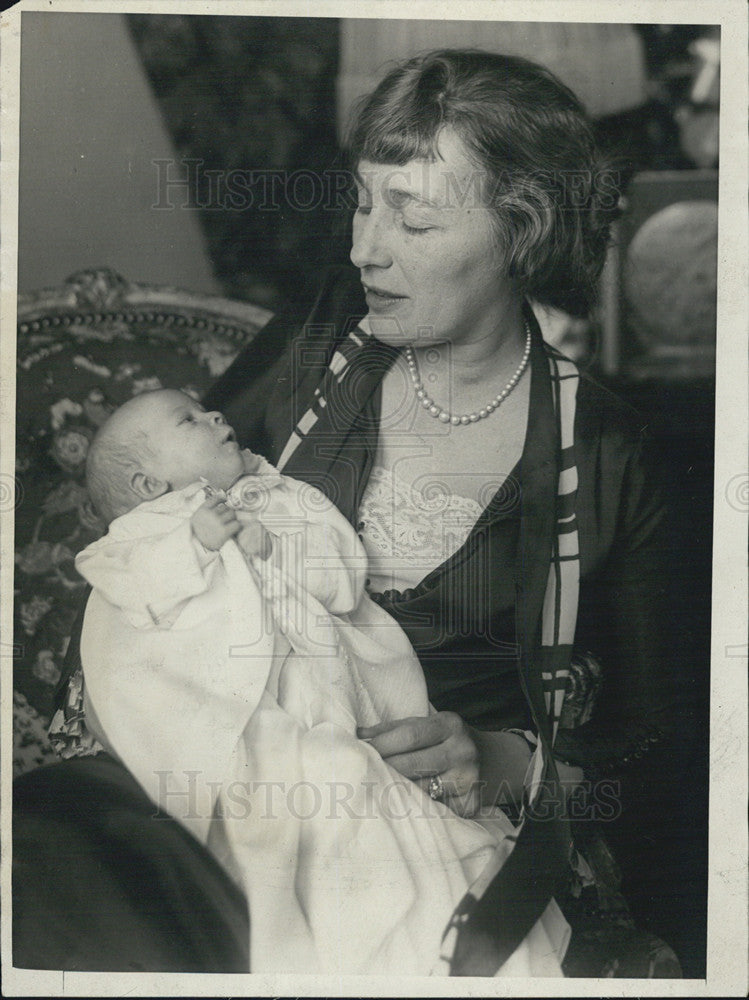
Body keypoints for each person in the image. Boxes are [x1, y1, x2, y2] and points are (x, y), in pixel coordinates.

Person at [20, 49, 687, 977]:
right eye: (362, 202)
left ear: (521, 230)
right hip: (206, 790)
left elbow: (672, 747)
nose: (363, 248)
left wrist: (505, 757)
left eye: (410, 217)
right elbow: (151, 498)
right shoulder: (326, 333)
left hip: (413, 847)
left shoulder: (618, 455)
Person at [72, 387, 570, 976]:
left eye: (208, 408)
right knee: (278, 814)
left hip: (322, 681)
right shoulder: (145, 534)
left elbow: (341, 580)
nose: (215, 415)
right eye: (188, 420)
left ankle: (413, 941)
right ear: (149, 486)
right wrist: (195, 541)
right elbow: (131, 590)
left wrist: (274, 540)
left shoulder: (281, 493)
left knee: (361, 794)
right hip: (234, 702)